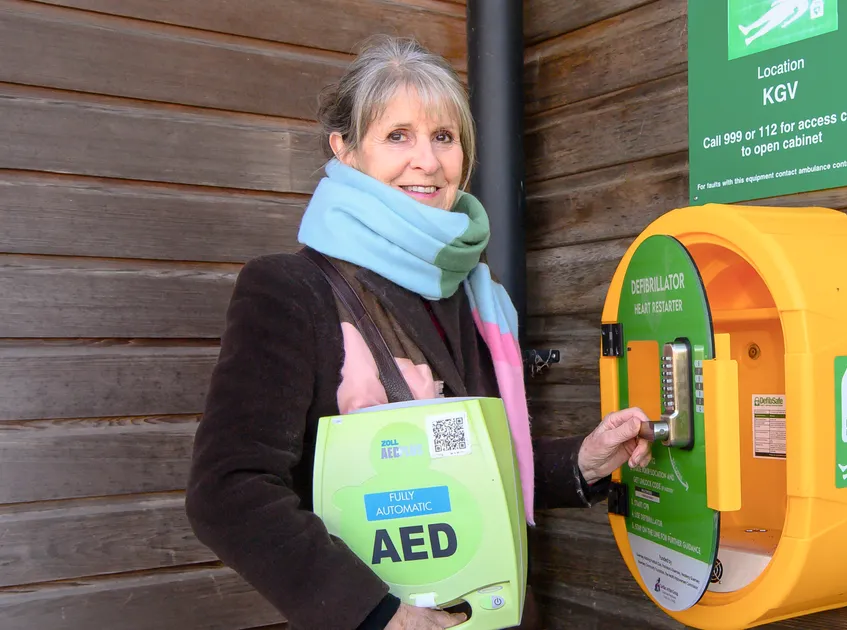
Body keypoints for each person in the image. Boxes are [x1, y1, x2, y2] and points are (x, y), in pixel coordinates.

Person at [184, 35, 654, 630]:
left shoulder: (472, 290)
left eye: (444, 137)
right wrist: (378, 614)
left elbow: (472, 463)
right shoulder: (292, 290)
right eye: (398, 136)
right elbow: (228, 490)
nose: (427, 162)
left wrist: (583, 463)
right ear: (346, 151)